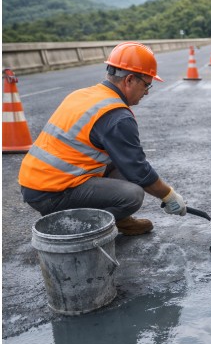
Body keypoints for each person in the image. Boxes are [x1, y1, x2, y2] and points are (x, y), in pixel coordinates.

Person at [18, 41, 187, 235]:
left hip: (36, 182)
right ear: (129, 80)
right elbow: (139, 171)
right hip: (51, 193)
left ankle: (118, 218)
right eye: (146, 84)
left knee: (123, 165)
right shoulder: (116, 116)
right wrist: (169, 196)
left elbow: (129, 164)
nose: (147, 91)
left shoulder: (83, 94)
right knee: (132, 195)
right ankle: (77, 228)